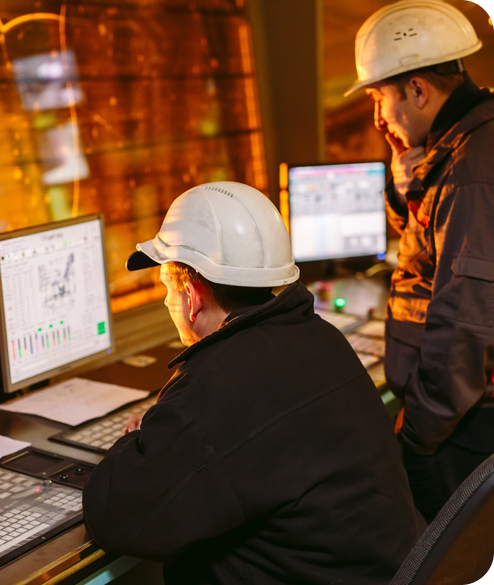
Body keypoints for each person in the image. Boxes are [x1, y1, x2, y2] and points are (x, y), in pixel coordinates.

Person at [82, 181, 425, 585]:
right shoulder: (320, 337)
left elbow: (117, 515)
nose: (165, 303)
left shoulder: (216, 385)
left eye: (166, 290)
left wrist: (135, 438)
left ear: (192, 297)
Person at [346, 0, 494, 522]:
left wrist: (416, 435)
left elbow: (464, 320)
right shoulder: (461, 145)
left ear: (417, 90)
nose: (378, 117)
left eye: (379, 99)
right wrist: (406, 178)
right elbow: (427, 247)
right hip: (458, 416)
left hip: (460, 429)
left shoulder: (469, 171)